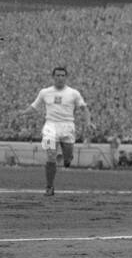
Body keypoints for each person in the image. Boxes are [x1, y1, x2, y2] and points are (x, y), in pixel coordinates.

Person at [17, 66, 92, 196]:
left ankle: (68, 159)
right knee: (51, 155)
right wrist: (23, 112)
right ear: (53, 77)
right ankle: (49, 187)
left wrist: (89, 122)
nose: (60, 78)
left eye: (63, 75)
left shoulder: (73, 93)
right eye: (57, 75)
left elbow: (84, 108)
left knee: (67, 156)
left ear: (66, 77)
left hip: (68, 127)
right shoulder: (45, 92)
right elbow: (34, 107)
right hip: (50, 127)